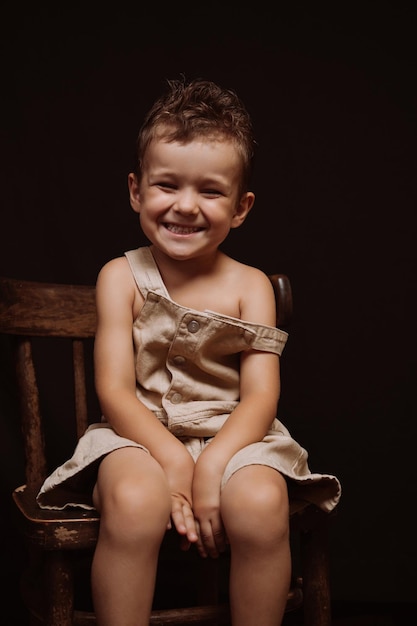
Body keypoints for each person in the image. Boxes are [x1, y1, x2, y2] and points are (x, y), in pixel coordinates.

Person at [37, 77, 341, 626]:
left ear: (242, 206)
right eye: (166, 185)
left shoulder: (252, 287)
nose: (185, 206)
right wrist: (174, 459)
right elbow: (114, 390)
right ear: (136, 191)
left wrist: (213, 465)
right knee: (134, 501)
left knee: (261, 505)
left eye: (210, 190)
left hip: (236, 435)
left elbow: (260, 398)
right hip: (138, 432)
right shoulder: (120, 277)